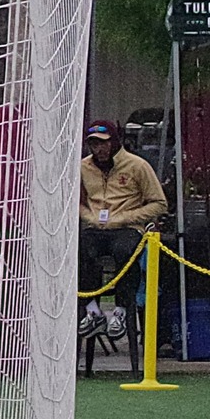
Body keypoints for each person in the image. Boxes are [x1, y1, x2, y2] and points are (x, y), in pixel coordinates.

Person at [78, 119, 168, 342]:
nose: (99, 149)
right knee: (80, 250)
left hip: (128, 226)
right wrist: (90, 217)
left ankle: (121, 310)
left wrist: (126, 218)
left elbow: (159, 203)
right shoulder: (83, 167)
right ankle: (92, 310)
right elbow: (74, 202)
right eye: (94, 144)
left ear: (115, 142)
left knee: (124, 251)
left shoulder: (137, 165)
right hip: (96, 227)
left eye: (104, 143)